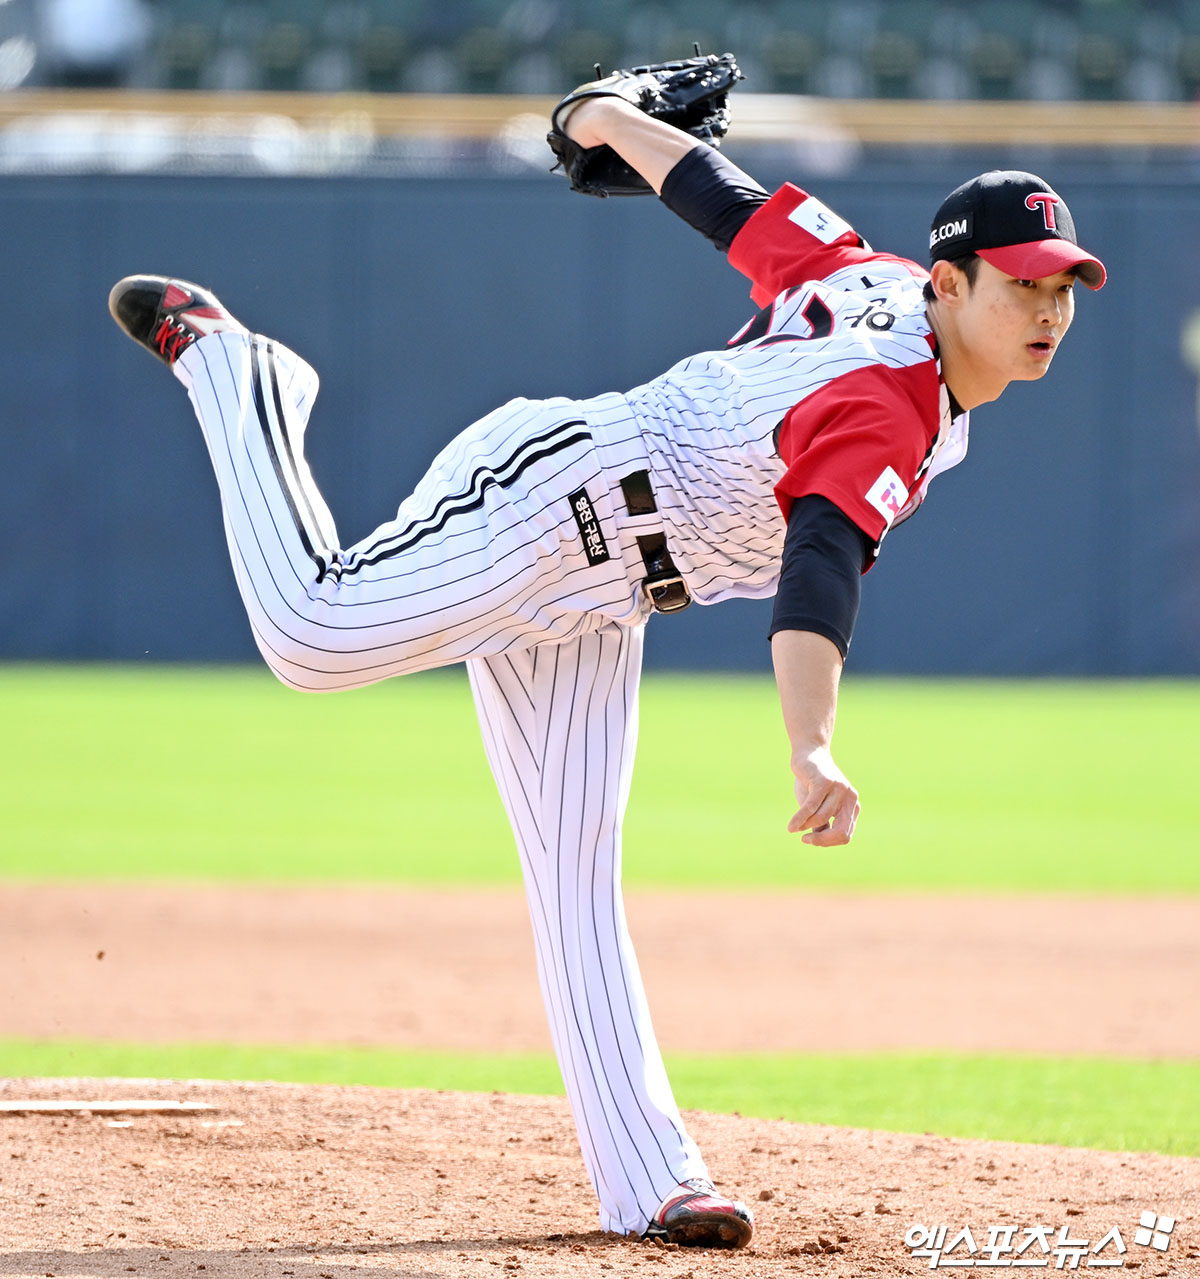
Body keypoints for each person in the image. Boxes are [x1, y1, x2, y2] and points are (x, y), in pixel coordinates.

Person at [107, 92, 1106, 1249]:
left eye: (1059, 286)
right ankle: (246, 379)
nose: (1045, 309)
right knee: (309, 634)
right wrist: (809, 743)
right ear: (949, 284)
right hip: (544, 500)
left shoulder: (867, 272)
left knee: (576, 871)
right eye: (1020, 282)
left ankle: (652, 1182)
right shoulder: (890, 400)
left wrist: (603, 113)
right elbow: (822, 565)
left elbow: (724, 199)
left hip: (615, 586)